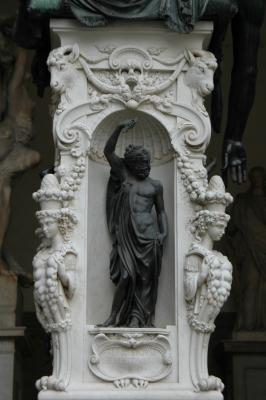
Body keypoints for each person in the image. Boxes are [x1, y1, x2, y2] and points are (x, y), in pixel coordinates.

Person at [100, 119, 168, 328]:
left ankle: (136, 318)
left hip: (149, 237)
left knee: (145, 281)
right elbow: (108, 151)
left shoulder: (156, 186)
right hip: (127, 237)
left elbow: (162, 212)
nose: (146, 168)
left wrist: (163, 233)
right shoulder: (124, 174)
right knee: (126, 276)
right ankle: (113, 317)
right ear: (131, 165)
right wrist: (118, 128)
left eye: (148, 165)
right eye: (141, 165)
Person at [226, 167, 266, 330]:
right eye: (254, 176)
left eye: (260, 176)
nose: (257, 179)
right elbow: (231, 228)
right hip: (250, 250)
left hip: (263, 247)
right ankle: (247, 325)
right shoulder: (243, 201)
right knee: (250, 285)